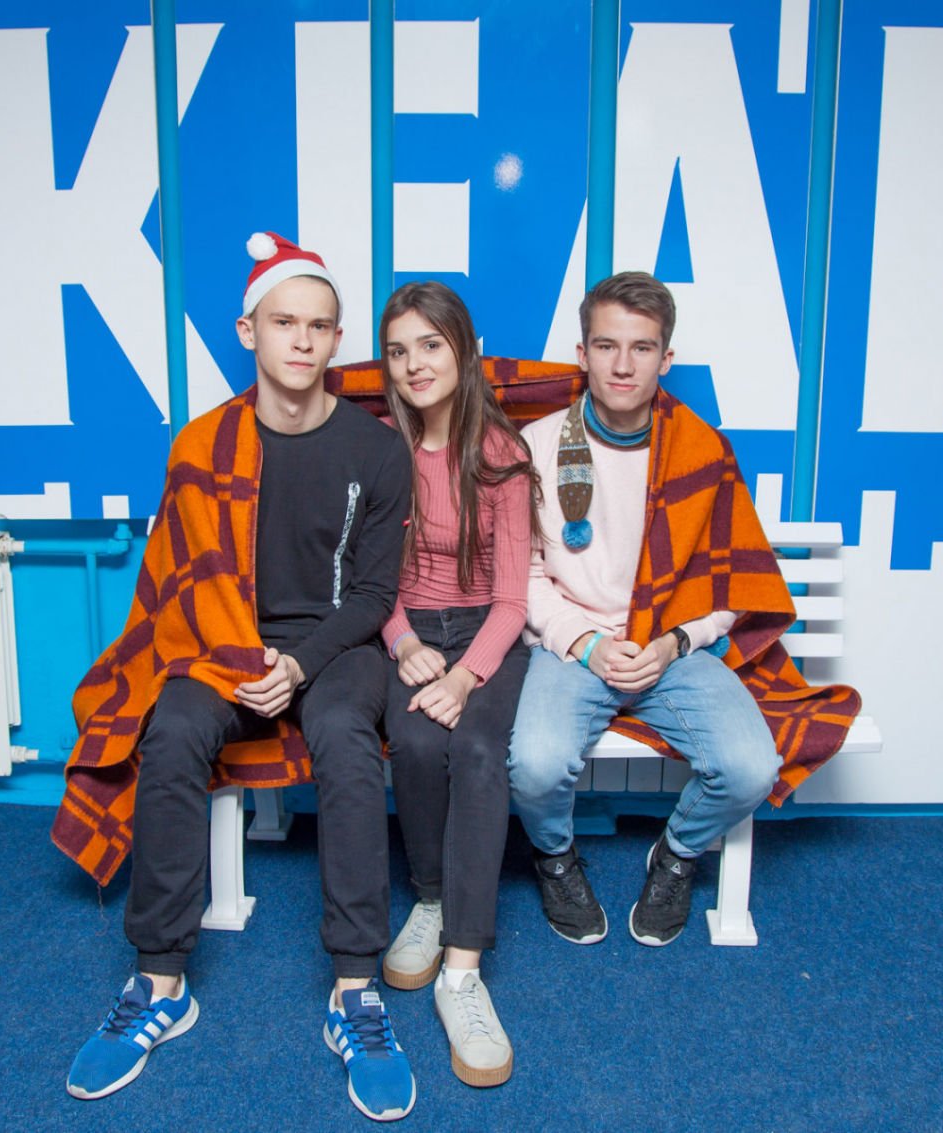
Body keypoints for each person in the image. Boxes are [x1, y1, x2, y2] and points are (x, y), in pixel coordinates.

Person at [54, 233, 417, 1121]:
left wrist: (298, 662)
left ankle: (355, 986)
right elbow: (181, 586)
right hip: (223, 639)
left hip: (333, 645)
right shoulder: (202, 445)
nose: (302, 340)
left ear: (338, 341)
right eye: (284, 322)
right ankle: (160, 978)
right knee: (173, 728)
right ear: (248, 330)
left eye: (320, 326)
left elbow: (375, 595)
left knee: (344, 736)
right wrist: (243, 660)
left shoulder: (376, 449)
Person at [507, 271, 858, 948]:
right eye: (606, 345)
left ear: (666, 358)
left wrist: (673, 642)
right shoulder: (535, 445)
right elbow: (520, 574)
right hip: (575, 646)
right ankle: (555, 857)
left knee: (752, 766)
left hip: (670, 647)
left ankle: (675, 856)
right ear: (581, 353)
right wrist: (584, 643)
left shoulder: (702, 449)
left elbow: (727, 586)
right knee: (535, 765)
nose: (622, 364)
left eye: (641, 348)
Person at [374, 282, 537, 1088]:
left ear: (466, 352)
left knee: (474, 750)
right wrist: (401, 640)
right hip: (409, 629)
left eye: (430, 345)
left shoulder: (502, 454)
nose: (414, 364)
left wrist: (468, 675)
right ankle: (431, 898)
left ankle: (462, 973)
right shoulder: (380, 449)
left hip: (485, 634)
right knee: (411, 738)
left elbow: (512, 600)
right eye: (398, 351)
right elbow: (369, 576)